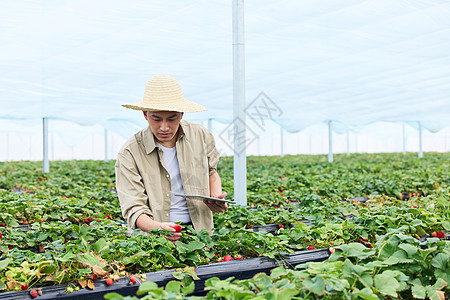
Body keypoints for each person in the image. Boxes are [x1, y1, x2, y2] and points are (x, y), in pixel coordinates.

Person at [115, 75, 227, 242]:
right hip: (154, 238)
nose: (164, 127)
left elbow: (211, 172)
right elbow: (134, 208)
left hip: (199, 233)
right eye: (156, 119)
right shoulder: (130, 152)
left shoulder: (200, 135)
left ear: (181, 114)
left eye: (172, 118)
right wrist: (157, 228)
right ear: (145, 114)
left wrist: (215, 196)